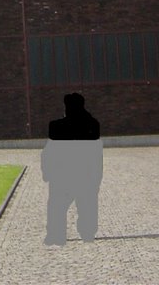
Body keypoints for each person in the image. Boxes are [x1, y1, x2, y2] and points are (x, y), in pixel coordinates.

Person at [40, 93, 102, 245]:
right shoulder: (93, 125)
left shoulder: (56, 126)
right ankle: (87, 233)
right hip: (85, 174)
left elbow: (48, 152)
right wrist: (97, 177)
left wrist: (47, 172)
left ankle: (56, 235)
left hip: (62, 175)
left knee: (56, 205)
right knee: (87, 205)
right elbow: (97, 154)